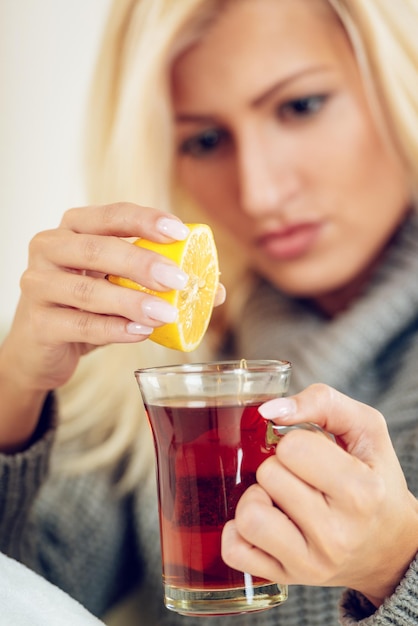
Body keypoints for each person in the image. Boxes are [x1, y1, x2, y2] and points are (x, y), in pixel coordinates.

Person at [1, 0, 418, 624]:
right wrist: (16, 385)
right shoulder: (160, 361)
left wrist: (395, 563)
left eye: (299, 106)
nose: (259, 190)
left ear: (397, 78)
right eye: (205, 139)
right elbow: (28, 587)